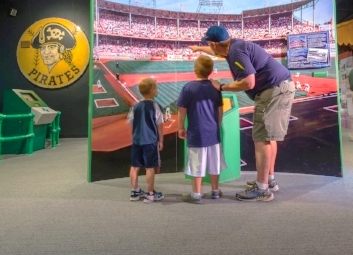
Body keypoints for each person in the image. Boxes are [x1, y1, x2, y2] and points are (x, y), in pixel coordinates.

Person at [190, 26, 295, 202]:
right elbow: (216, 51)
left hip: (272, 90)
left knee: (262, 138)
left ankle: (262, 189)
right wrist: (199, 48)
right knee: (269, 137)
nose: (208, 46)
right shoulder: (233, 46)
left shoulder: (236, 53)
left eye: (208, 44)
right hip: (280, 87)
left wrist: (221, 87)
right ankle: (268, 180)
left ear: (215, 44)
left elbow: (248, 83)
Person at [177, 55, 226, 204]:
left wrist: (180, 127)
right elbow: (220, 110)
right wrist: (216, 125)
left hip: (196, 132)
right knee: (214, 162)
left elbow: (181, 110)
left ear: (195, 70)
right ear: (210, 71)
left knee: (196, 163)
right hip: (213, 132)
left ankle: (196, 194)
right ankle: (215, 191)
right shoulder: (215, 87)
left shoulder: (188, 87)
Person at [126, 78, 165, 203]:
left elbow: (130, 122)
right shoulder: (155, 106)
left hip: (137, 140)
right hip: (150, 141)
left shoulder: (135, 106)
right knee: (150, 167)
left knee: (134, 166)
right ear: (152, 90)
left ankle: (135, 191)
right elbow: (160, 125)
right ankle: (150, 194)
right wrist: (161, 140)